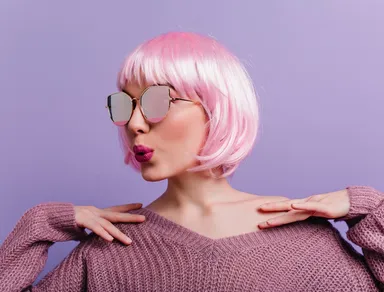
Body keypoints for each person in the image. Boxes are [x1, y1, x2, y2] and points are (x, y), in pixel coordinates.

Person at [0, 31, 383, 291]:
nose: (134, 124)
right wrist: (42, 223)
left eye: (155, 102)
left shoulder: (306, 244)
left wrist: (366, 209)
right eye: (125, 105)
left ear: (216, 108)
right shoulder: (107, 252)